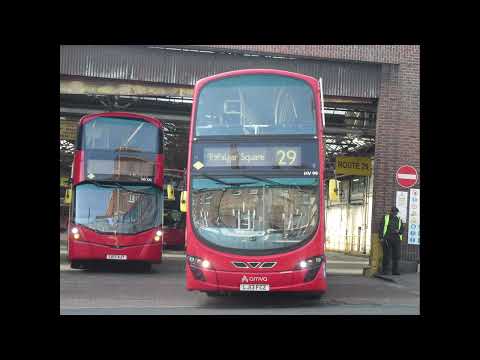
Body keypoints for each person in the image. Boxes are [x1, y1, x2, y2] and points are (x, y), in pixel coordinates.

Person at [379, 207, 404, 275]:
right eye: (393, 212)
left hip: (396, 239)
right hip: (387, 239)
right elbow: (381, 228)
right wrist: (381, 237)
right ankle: (385, 271)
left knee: (396, 255)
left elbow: (402, 229)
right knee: (387, 255)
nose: (395, 213)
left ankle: (395, 271)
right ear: (391, 212)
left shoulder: (399, 219)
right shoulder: (385, 218)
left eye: (396, 212)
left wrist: (399, 231)